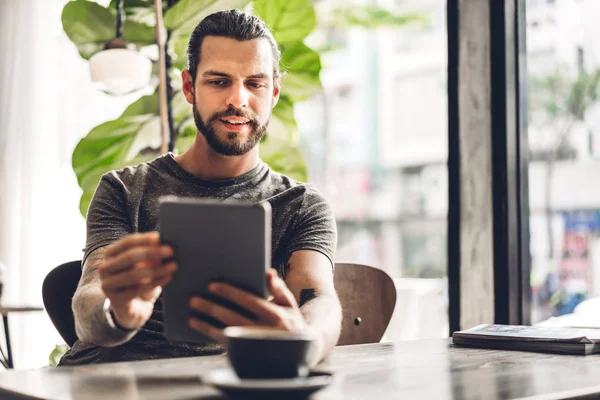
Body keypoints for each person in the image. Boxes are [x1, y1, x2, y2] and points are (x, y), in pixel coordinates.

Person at [59, 9, 342, 366]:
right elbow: (89, 301)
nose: (238, 100)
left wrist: (307, 340)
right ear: (190, 87)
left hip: (218, 383)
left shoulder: (301, 205)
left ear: (273, 93)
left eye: (255, 83)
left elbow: (319, 299)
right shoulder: (124, 189)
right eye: (219, 81)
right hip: (107, 378)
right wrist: (118, 312)